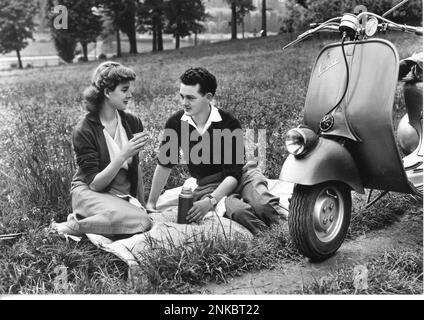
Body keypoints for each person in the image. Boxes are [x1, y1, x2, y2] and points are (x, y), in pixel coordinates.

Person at [146, 67, 286, 235]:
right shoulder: (176, 123)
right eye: (182, 96)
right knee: (240, 212)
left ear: (209, 97)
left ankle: (288, 229)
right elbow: (164, 165)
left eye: (190, 97)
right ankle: (269, 239)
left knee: (263, 204)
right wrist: (151, 203)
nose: (184, 102)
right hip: (208, 184)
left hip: (242, 175)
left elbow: (234, 175)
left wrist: (210, 201)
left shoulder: (227, 123)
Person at [55, 61, 152, 237]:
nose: (130, 95)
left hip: (120, 194)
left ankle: (99, 222)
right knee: (140, 222)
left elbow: (135, 166)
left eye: (129, 89)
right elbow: (95, 184)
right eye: (124, 90)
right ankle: (72, 226)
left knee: (143, 219)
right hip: (89, 192)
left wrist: (143, 205)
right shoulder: (84, 130)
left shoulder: (132, 122)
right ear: (107, 92)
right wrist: (123, 155)